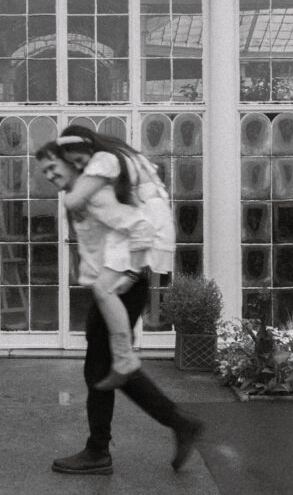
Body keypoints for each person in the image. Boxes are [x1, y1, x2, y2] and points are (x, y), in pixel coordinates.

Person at [36, 142, 204, 476]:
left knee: (103, 369)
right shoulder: (83, 196)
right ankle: (173, 423)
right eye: (45, 172)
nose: (50, 175)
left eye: (55, 167)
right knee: (104, 368)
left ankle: (102, 449)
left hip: (123, 284)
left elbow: (137, 224)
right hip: (114, 284)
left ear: (73, 165)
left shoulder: (95, 194)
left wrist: (130, 272)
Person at [55, 124, 177, 389]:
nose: (79, 166)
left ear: (88, 147)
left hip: (146, 228)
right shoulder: (124, 155)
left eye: (78, 160)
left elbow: (74, 199)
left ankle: (123, 357)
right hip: (152, 227)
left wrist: (73, 196)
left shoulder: (104, 158)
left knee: (103, 291)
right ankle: (122, 355)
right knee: (107, 296)